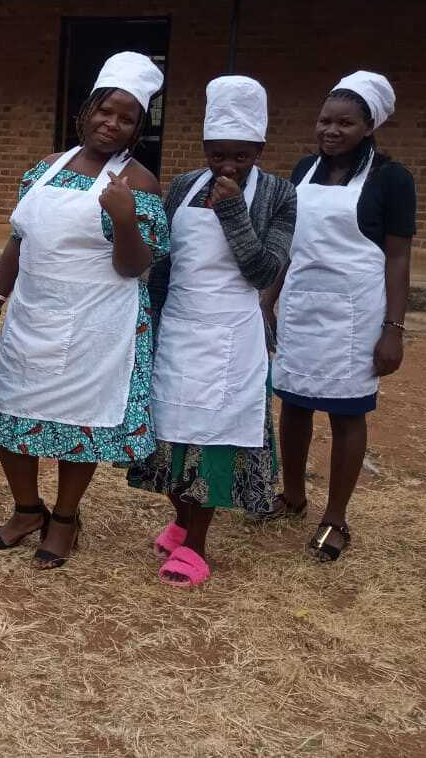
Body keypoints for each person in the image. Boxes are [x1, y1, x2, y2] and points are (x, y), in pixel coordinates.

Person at [0, 52, 169, 569]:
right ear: (86, 111)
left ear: (137, 129)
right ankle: (26, 509)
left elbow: (136, 268)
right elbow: (20, 241)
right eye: (105, 111)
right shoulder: (44, 169)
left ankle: (64, 518)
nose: (112, 124)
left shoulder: (139, 182)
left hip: (96, 323)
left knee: (77, 425)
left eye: (126, 118)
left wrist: (125, 220)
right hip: (33, 316)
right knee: (10, 414)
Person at [127, 76, 297, 586]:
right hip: (178, 327)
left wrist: (232, 212)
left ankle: (197, 546)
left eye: (240, 157)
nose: (227, 166)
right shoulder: (181, 186)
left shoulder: (279, 195)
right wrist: (149, 323)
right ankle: (181, 522)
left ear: (260, 150)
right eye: (218, 155)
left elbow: (265, 272)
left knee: (213, 439)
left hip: (232, 334)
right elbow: (162, 265)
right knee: (174, 433)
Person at [264, 71, 415, 562]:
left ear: (370, 126)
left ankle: (335, 516)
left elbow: (397, 257)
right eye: (325, 120)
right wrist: (269, 299)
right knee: (294, 404)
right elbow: (288, 241)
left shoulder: (392, 179)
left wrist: (393, 329)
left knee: (348, 413)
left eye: (345, 123)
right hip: (304, 304)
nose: (331, 131)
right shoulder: (304, 169)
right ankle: (292, 495)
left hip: (355, 314)